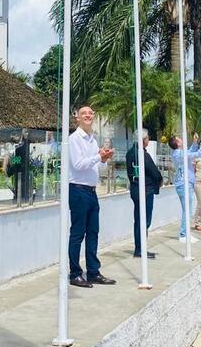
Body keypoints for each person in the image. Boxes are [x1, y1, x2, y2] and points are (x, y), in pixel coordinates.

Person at [68, 105, 116, 288]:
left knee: (93, 233)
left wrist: (103, 159)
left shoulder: (93, 140)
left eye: (90, 113)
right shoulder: (74, 139)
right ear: (77, 118)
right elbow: (79, 164)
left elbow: (98, 168)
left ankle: (93, 272)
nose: (88, 115)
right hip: (78, 190)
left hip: (91, 191)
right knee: (78, 233)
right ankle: (75, 273)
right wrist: (98, 157)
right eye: (83, 113)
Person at [126, 129, 163, 259]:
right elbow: (153, 171)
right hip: (145, 190)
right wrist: (159, 180)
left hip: (136, 189)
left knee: (139, 220)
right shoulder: (141, 154)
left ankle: (140, 247)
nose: (148, 140)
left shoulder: (130, 153)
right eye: (147, 138)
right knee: (144, 220)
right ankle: (140, 248)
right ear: (143, 139)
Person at [168, 133, 201, 243]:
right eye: (179, 139)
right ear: (177, 143)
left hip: (186, 184)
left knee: (187, 210)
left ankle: (185, 234)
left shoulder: (180, 153)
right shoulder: (179, 154)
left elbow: (190, 152)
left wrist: (195, 142)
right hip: (184, 184)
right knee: (187, 210)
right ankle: (183, 234)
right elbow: (197, 154)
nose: (181, 139)